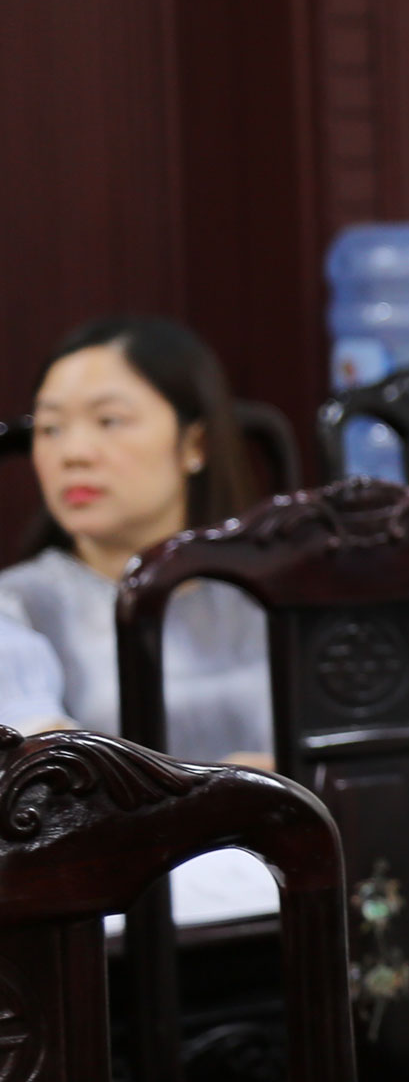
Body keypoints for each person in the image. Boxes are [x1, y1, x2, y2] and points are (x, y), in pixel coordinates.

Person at [0, 316, 270, 765]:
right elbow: (50, 777)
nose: (74, 453)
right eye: (50, 428)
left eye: (109, 421)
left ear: (195, 444)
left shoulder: (269, 592)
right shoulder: (16, 608)